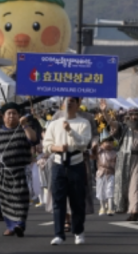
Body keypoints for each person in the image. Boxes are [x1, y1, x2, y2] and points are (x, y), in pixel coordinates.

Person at [43, 97, 92, 246]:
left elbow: (84, 144)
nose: (69, 103)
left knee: (77, 200)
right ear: (62, 104)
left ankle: (78, 231)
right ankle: (59, 234)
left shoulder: (84, 123)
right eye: (66, 101)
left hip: (76, 164)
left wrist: (70, 131)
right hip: (58, 164)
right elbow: (46, 145)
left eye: (72, 101)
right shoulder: (54, 123)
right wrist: (56, 148)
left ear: (78, 104)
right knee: (58, 200)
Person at [0, 102, 38, 237]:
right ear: (3, 117)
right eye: (9, 113)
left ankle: (19, 224)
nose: (12, 116)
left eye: (15, 113)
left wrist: (25, 125)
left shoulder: (24, 130)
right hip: (3, 172)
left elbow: (33, 140)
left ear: (19, 115)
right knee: (6, 200)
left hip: (21, 171)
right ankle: (10, 226)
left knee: (21, 198)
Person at [95, 137, 117, 216]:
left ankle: (110, 208)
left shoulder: (114, 153)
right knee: (101, 191)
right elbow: (93, 150)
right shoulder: (100, 151)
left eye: (111, 142)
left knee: (110, 190)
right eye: (106, 142)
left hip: (111, 173)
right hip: (101, 173)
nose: (109, 144)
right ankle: (102, 207)